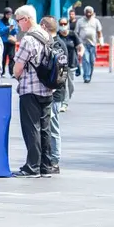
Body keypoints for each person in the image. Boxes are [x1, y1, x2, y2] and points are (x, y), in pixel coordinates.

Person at [12, 5, 55, 178]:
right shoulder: (47, 35)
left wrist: (17, 76)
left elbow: (18, 67)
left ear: (27, 19)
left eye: (19, 20)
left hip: (30, 88)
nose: (18, 24)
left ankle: (32, 167)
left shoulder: (28, 39)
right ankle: (46, 165)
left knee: (31, 128)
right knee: (45, 128)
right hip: (48, 87)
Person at [40, 16, 66, 174]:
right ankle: (50, 158)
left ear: (44, 26)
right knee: (49, 126)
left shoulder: (56, 44)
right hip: (55, 91)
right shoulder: (56, 42)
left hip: (55, 92)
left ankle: (55, 160)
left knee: (53, 127)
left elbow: (61, 70)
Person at [56, 17, 83, 112]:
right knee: (63, 84)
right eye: (61, 24)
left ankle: (66, 100)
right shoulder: (57, 36)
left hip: (72, 63)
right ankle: (64, 103)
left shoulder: (72, 34)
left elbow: (80, 46)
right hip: (61, 64)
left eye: (65, 24)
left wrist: (81, 52)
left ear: (67, 24)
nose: (63, 26)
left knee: (71, 86)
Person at [75, 5, 103, 83]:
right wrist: (77, 44)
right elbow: (76, 33)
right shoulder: (80, 21)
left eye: (90, 12)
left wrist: (101, 42)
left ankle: (89, 75)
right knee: (86, 60)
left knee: (92, 61)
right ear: (85, 13)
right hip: (83, 44)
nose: (89, 14)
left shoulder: (96, 21)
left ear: (92, 13)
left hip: (93, 44)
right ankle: (86, 76)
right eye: (87, 12)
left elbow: (99, 32)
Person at [0, 7, 19, 77]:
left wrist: (13, 29)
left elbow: (16, 31)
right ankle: (2, 72)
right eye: (7, 14)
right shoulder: (0, 22)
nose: (9, 16)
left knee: (12, 57)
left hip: (11, 42)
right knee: (3, 57)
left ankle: (12, 73)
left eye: (10, 14)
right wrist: (7, 28)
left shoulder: (13, 21)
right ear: (4, 14)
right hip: (3, 42)